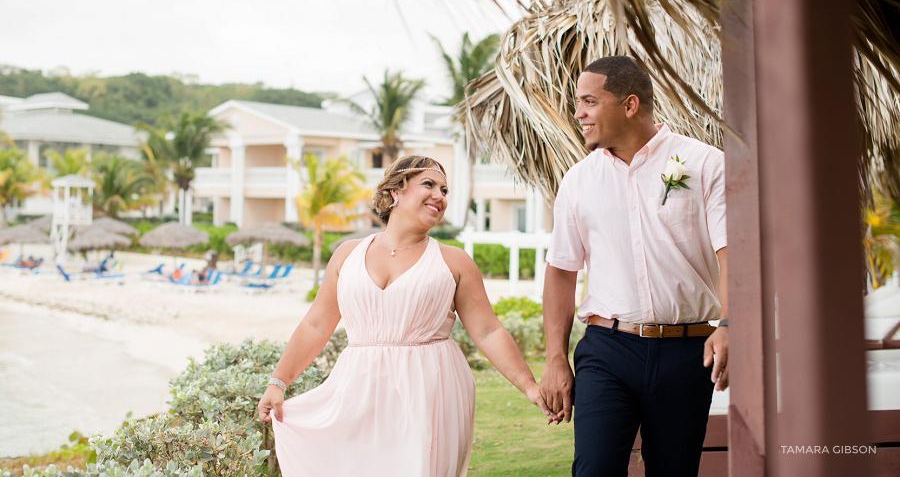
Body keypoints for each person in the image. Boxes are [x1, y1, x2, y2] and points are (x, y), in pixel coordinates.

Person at [257, 155, 550, 477]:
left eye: (445, 190)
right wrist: (278, 382)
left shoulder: (454, 261)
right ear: (396, 191)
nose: (440, 195)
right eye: (429, 184)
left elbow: (488, 331)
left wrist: (529, 386)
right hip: (357, 388)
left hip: (431, 388)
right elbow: (315, 325)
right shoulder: (347, 254)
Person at [540, 56, 729, 477]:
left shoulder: (704, 165)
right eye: (578, 103)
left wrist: (729, 325)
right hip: (608, 348)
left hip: (687, 351)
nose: (578, 114)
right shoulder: (578, 181)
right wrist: (555, 358)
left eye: (589, 101)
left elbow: (729, 252)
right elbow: (561, 272)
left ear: (628, 105)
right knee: (594, 470)